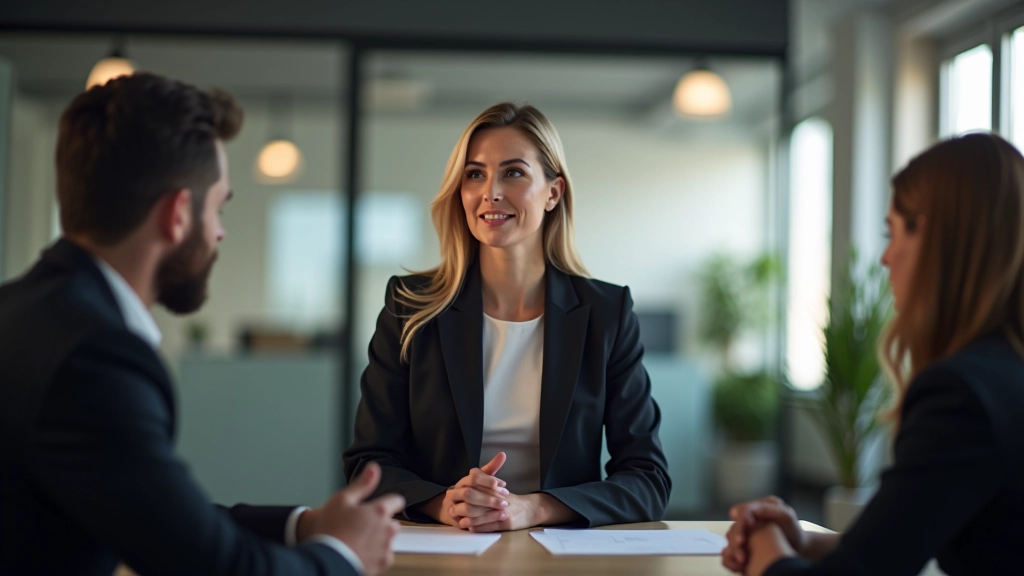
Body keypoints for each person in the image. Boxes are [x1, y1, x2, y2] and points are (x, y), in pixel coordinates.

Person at [0, 73, 403, 576]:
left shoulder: (26, 312)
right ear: (177, 214)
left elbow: (160, 515)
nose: (219, 232)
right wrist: (343, 555)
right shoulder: (94, 356)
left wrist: (305, 524)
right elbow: (218, 568)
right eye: (218, 207)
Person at [343, 102, 670, 532]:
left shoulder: (606, 314)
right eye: (475, 174)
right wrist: (448, 505)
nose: (489, 192)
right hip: (444, 547)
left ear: (553, 192)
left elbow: (648, 479)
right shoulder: (410, 307)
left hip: (560, 553)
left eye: (513, 172)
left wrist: (531, 509)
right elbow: (369, 462)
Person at [721, 132, 1024, 576]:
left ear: (938, 239)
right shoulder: (1005, 376)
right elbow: (899, 546)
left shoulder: (962, 395)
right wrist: (802, 540)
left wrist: (764, 542)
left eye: (893, 231)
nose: (885, 258)